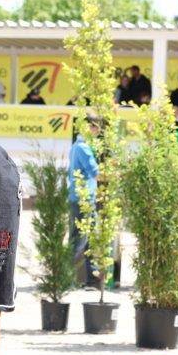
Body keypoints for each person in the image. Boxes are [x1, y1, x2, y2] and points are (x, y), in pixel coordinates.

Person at [68, 119, 100, 286]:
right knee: (82, 240)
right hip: (84, 199)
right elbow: (95, 172)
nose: (97, 133)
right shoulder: (83, 147)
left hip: (77, 197)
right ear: (89, 127)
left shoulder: (75, 146)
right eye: (96, 129)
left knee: (83, 239)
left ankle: (88, 278)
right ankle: (71, 278)